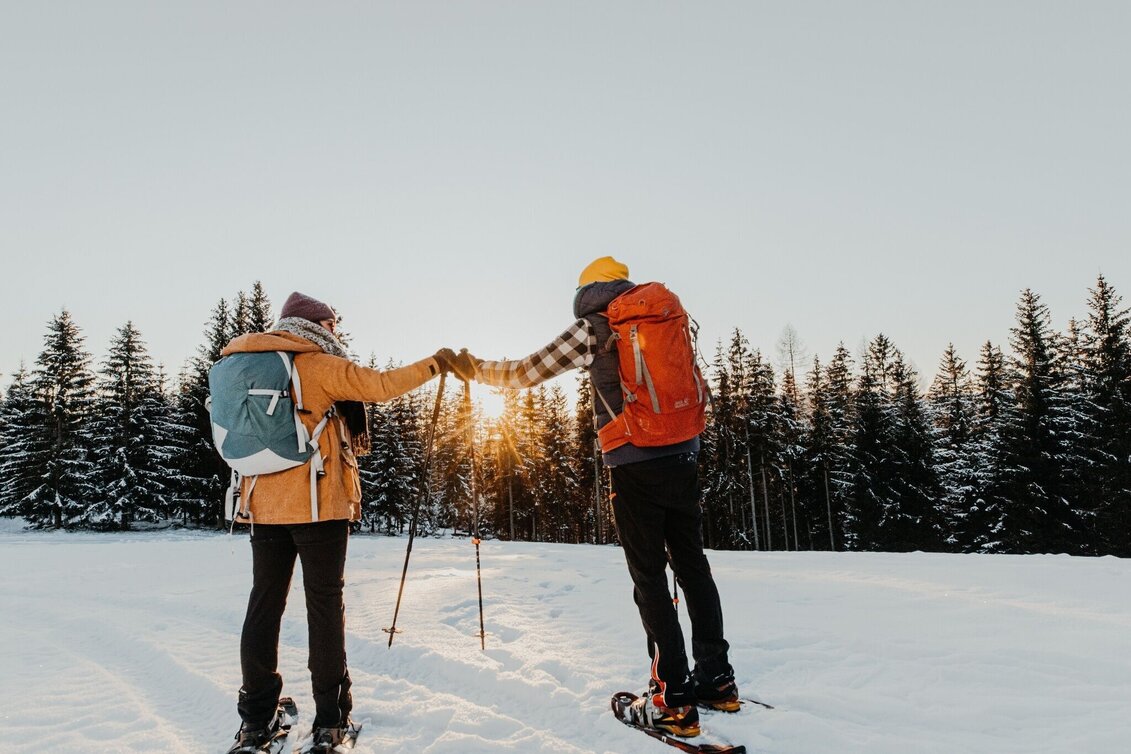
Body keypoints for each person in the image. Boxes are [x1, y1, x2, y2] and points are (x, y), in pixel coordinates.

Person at [467, 257, 737, 738]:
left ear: (587, 291)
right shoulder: (661, 315)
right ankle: (716, 680)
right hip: (685, 453)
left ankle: (673, 700)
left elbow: (526, 372)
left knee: (649, 577)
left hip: (634, 462)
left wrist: (470, 367)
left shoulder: (595, 327)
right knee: (693, 567)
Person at [221, 291, 475, 754]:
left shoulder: (244, 363)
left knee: (264, 605)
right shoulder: (317, 364)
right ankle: (331, 722)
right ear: (316, 325)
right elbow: (380, 385)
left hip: (261, 505)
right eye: (332, 324)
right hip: (318, 506)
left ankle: (255, 723)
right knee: (323, 607)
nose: (335, 331)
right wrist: (436, 363)